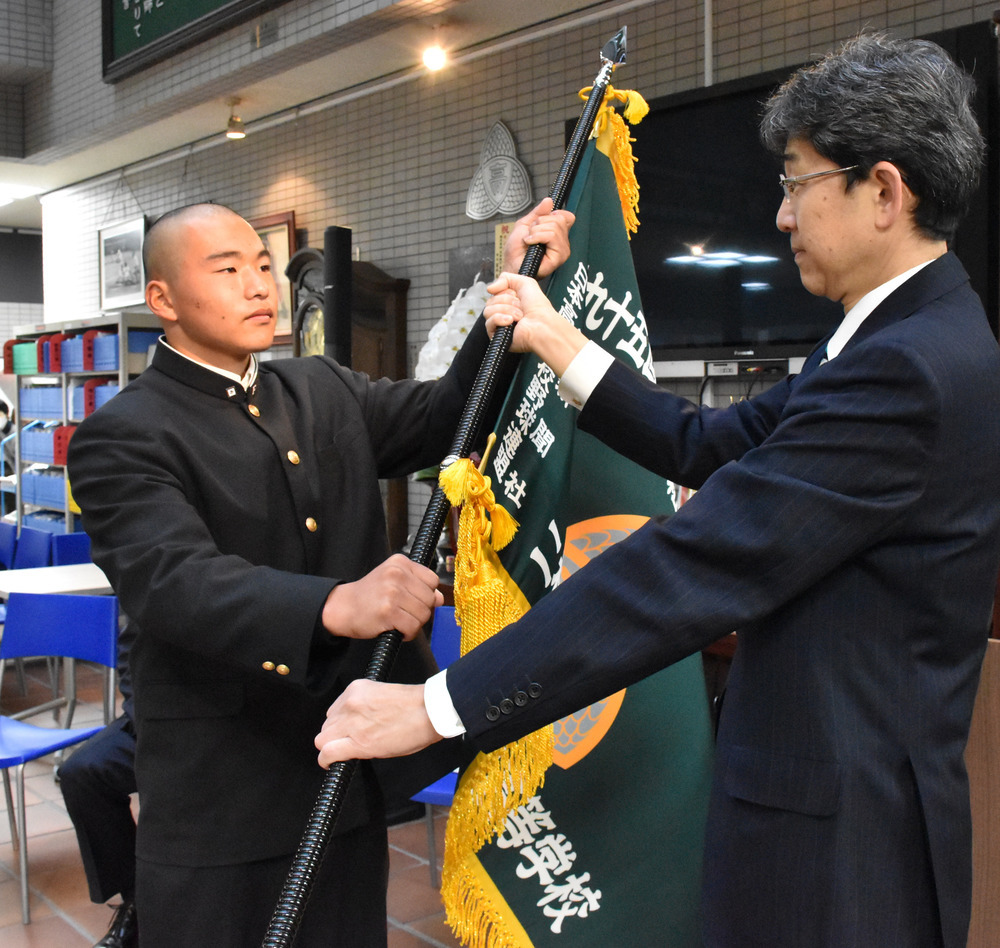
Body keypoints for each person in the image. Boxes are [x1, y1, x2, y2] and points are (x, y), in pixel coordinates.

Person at [315, 32, 1000, 948]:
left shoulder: (906, 371)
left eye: (796, 183)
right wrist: (557, 340)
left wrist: (437, 707)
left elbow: (690, 560)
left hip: (843, 841)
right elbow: (707, 442)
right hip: (835, 797)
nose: (783, 215)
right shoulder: (898, 338)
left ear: (882, 190)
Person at [66, 198, 572, 947]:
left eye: (264, 266)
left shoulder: (319, 388)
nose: (258, 285)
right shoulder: (123, 432)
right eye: (228, 269)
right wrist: (337, 603)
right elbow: (173, 581)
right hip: (222, 783)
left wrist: (507, 296)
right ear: (163, 300)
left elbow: (444, 418)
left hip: (343, 765)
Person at [57, 622, 138, 948]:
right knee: (82, 773)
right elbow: (130, 651)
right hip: (154, 717)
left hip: (226, 721)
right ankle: (135, 903)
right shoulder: (160, 576)